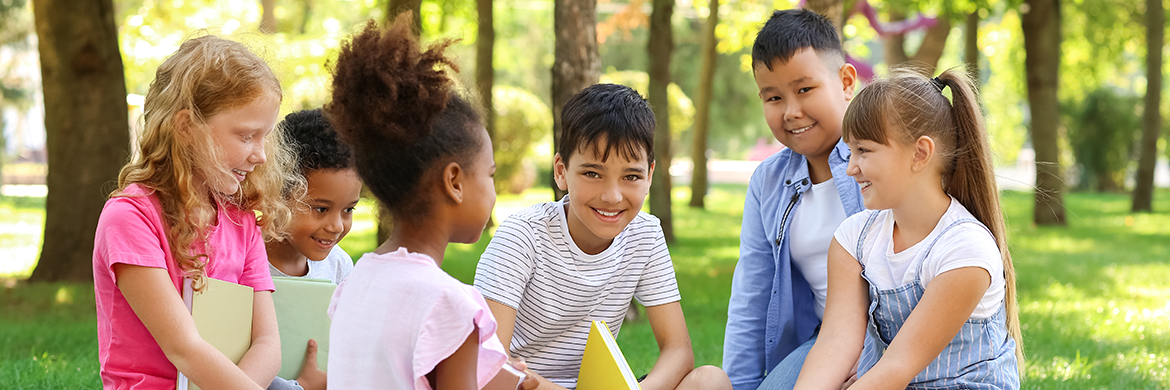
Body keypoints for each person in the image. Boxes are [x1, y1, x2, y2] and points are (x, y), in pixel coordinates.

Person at [474, 83, 732, 390]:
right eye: (592, 173)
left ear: (649, 176)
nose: (612, 196)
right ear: (561, 171)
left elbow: (678, 351)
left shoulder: (645, 235)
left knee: (710, 380)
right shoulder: (522, 237)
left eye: (631, 176)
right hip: (527, 386)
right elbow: (489, 365)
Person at [794, 67, 1022, 389]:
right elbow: (835, 342)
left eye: (864, 151)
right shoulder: (853, 238)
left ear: (920, 153)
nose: (850, 168)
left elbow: (899, 366)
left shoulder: (965, 249)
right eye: (851, 150)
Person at [323, 14, 518, 390]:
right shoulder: (450, 305)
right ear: (455, 182)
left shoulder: (358, 280)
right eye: (489, 175)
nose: (493, 191)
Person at [92, 35, 294, 389]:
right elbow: (183, 348)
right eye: (247, 136)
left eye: (265, 137)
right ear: (186, 128)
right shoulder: (130, 218)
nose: (261, 155)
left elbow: (267, 344)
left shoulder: (241, 221)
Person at [722, 8, 863, 390]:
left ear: (846, 82)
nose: (791, 112)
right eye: (773, 97)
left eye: (804, 89)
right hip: (826, 341)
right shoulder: (768, 183)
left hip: (901, 334)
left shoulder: (881, 160)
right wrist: (741, 385)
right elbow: (752, 293)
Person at [265, 108, 362, 390]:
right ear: (277, 193)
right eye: (321, 208)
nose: (336, 226)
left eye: (348, 210)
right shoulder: (244, 260)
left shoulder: (339, 266)